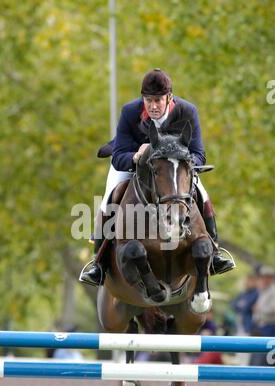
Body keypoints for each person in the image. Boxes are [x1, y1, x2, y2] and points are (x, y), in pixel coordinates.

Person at [80, 69, 235, 286]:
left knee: (201, 192)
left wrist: (179, 160)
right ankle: (98, 263)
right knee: (108, 197)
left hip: (174, 168)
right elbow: (119, 156)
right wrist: (136, 156)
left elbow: (199, 155)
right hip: (134, 163)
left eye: (158, 100)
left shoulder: (187, 111)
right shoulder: (130, 112)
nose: (153, 106)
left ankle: (215, 252)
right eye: (148, 100)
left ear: (169, 98)